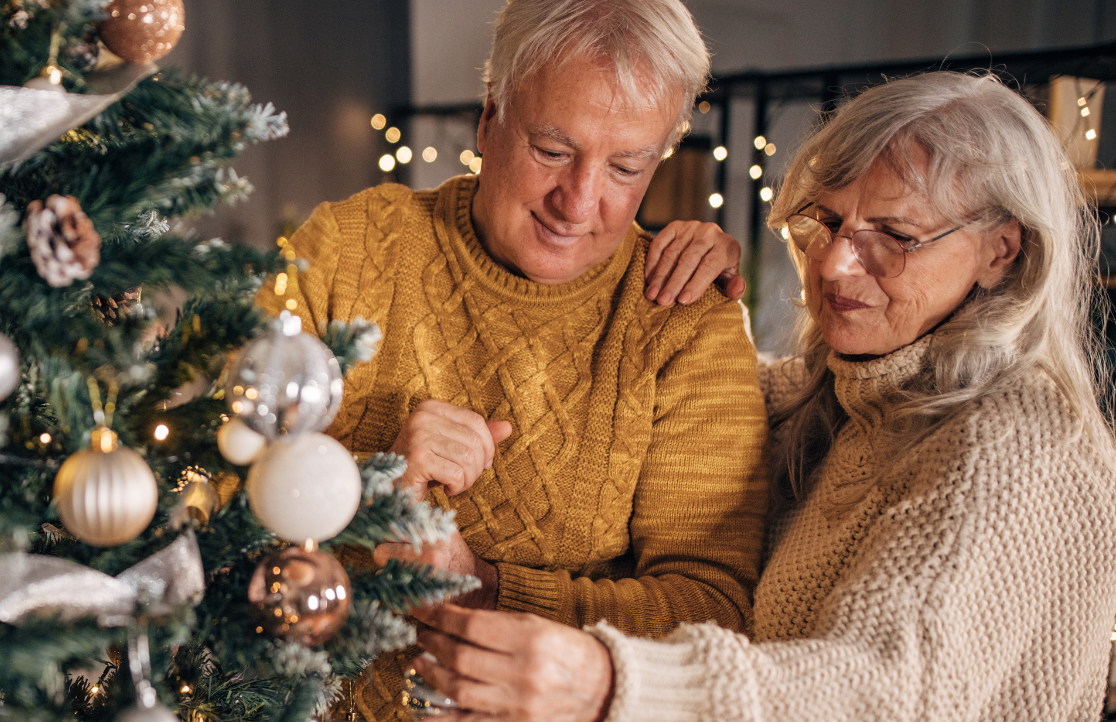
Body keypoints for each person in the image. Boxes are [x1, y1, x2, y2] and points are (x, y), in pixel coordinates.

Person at [406, 71, 1116, 722]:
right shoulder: (829, 395)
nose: (836, 263)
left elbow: (887, 693)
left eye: (894, 237)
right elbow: (629, 413)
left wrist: (612, 684)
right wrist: (695, 312)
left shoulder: (1019, 444)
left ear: (1002, 251)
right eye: (828, 222)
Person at [258, 0, 768, 722]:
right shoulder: (348, 249)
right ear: (489, 115)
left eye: (626, 167)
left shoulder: (686, 320)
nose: (578, 201)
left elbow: (710, 610)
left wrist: (489, 585)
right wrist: (366, 490)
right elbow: (204, 470)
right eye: (553, 151)